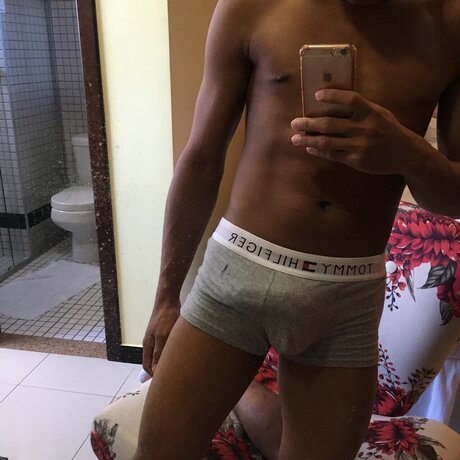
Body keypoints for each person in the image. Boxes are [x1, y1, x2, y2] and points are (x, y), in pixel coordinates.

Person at [133, 0, 460, 458]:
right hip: (235, 277)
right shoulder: (251, 6)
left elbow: (453, 197)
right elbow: (201, 160)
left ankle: (248, 397)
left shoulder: (450, 26)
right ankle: (248, 394)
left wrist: (410, 154)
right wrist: (166, 299)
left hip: (347, 301)